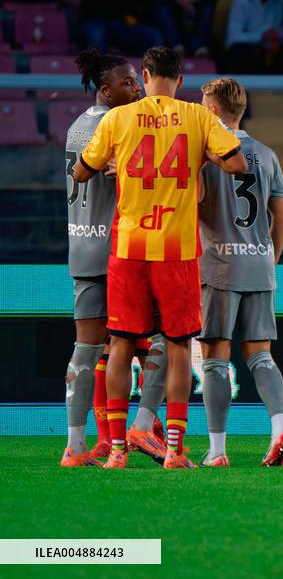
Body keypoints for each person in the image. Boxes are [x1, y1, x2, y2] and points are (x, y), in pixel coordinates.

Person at [72, 46, 248, 470]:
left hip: (129, 247)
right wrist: (203, 157)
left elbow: (81, 171)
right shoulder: (199, 117)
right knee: (178, 348)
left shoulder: (118, 118)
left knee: (118, 346)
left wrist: (116, 162)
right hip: (178, 250)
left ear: (146, 75)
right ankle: (173, 450)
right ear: (181, 80)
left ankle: (116, 451)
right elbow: (238, 165)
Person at [197, 78, 283, 467]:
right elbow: (282, 219)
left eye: (203, 104)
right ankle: (280, 428)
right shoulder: (267, 155)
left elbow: (197, 207)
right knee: (261, 357)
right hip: (259, 263)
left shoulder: (206, 157)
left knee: (215, 358)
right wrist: (269, 260)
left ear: (215, 110)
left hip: (219, 265)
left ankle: (218, 451)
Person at [61, 48, 145, 467]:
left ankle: (77, 447)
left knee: (87, 351)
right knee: (151, 346)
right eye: (128, 82)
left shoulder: (78, 125)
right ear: (106, 89)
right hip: (117, 253)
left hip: (82, 248)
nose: (137, 87)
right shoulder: (116, 124)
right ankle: (141, 433)